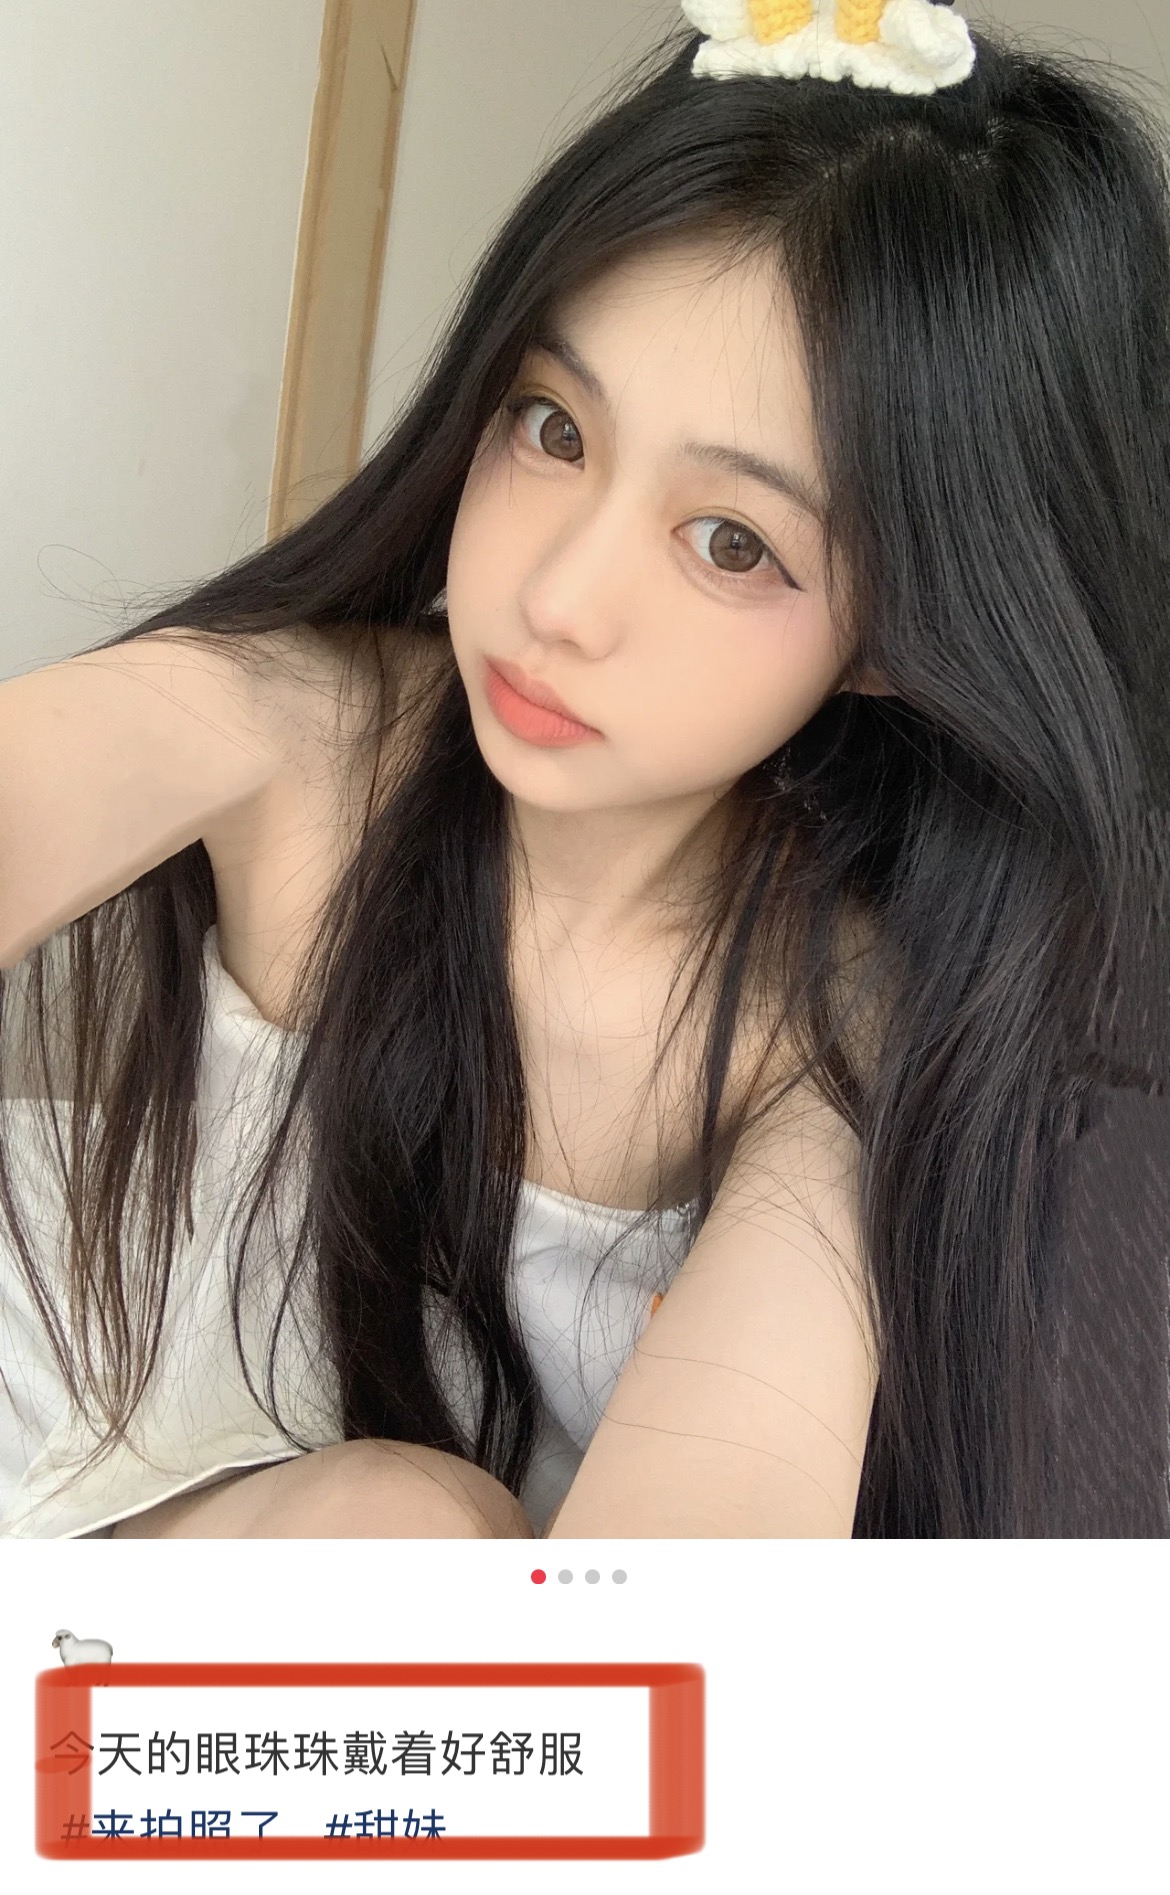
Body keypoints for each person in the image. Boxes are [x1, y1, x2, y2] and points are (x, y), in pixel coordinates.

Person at [0, 4, 1167, 1540]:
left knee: (410, 1534)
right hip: (70, 1449)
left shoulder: (837, 1026)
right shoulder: (304, 733)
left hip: (336, 1637)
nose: (556, 599)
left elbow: (688, 1569)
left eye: (731, 541)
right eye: (552, 428)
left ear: (903, 624)